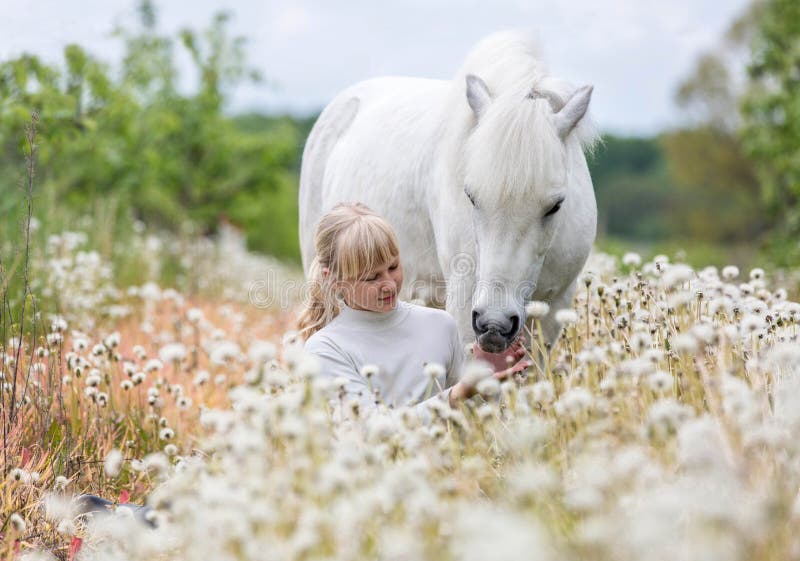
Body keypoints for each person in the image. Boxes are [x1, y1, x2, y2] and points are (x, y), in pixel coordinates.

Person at [298, 202, 531, 417]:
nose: (389, 283)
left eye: (393, 266)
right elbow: (367, 432)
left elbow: (470, 421)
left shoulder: (440, 325)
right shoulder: (325, 349)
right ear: (334, 279)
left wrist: (487, 377)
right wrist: (457, 394)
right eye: (372, 278)